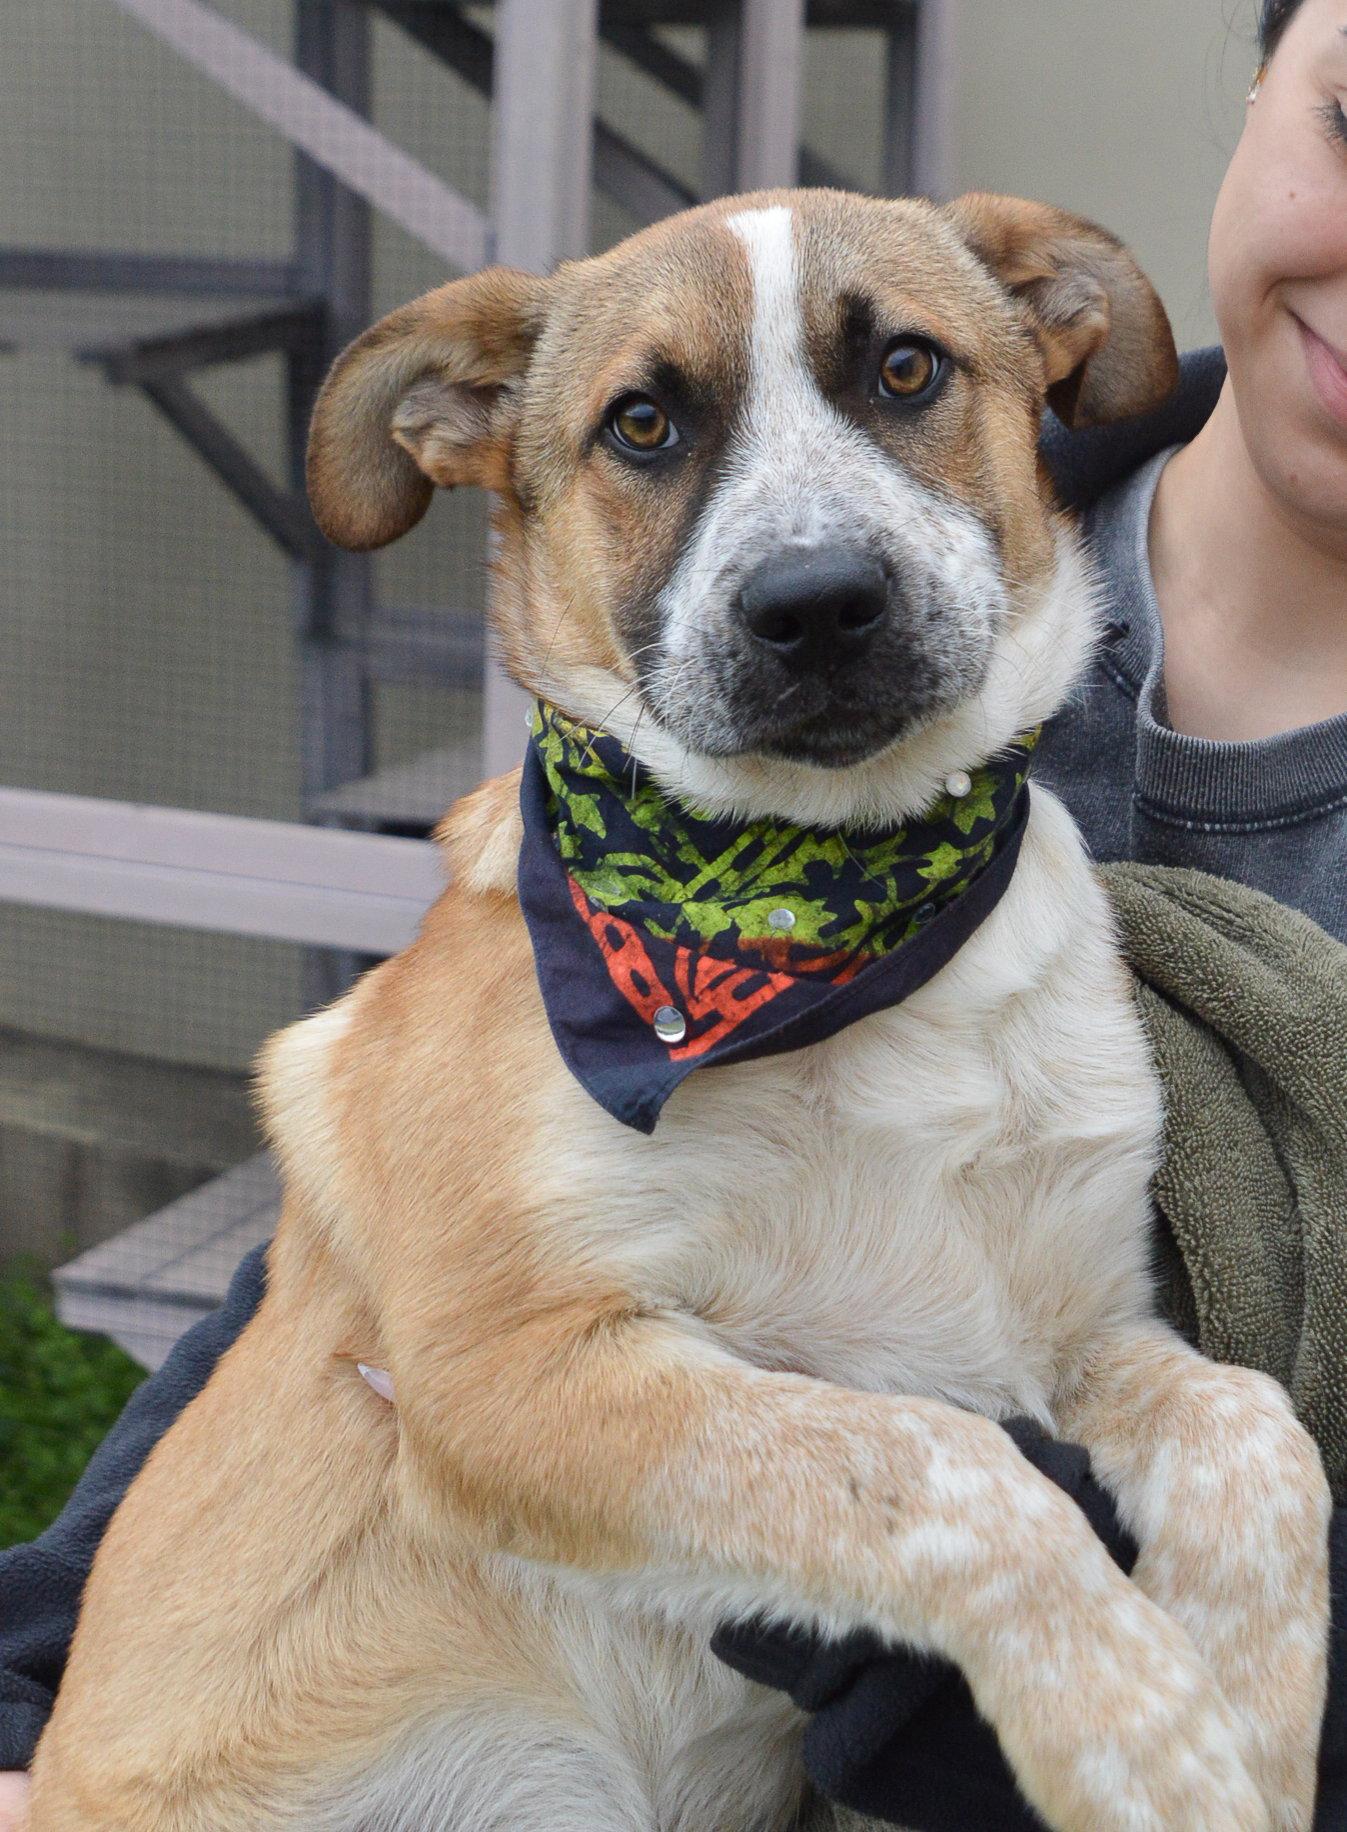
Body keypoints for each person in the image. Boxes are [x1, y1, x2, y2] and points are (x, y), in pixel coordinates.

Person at [3, 0, 1346, 1823]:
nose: (803, 558)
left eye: (896, 380)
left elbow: (1075, 1352)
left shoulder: (1019, 900)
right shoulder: (555, 933)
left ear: (1051, 342)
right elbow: (413, 1352)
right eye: (650, 426)